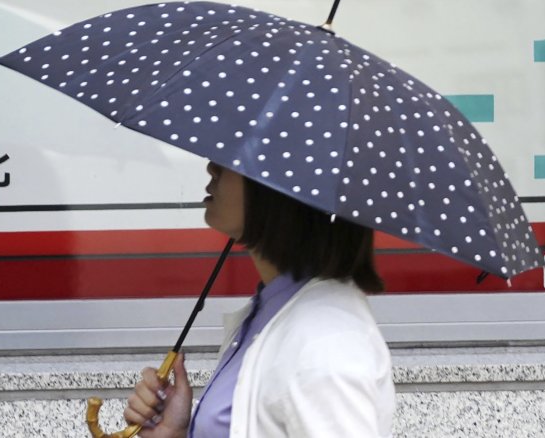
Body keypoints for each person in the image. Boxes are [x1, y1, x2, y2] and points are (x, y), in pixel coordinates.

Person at [122, 162, 395, 437]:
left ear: (283, 190)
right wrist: (177, 433)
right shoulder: (273, 310)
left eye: (235, 161)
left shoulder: (326, 342)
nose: (212, 168)